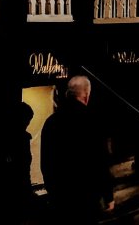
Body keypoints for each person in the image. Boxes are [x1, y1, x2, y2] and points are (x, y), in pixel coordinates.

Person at [40, 75, 114, 223]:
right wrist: (108, 195)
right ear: (86, 95)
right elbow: (100, 161)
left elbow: (46, 162)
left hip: (60, 197)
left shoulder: (51, 122)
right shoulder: (92, 121)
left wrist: (53, 191)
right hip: (87, 197)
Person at [9, 102, 38, 225]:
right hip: (19, 190)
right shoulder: (22, 139)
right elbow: (23, 169)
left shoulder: (16, 138)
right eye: (27, 120)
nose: (27, 124)